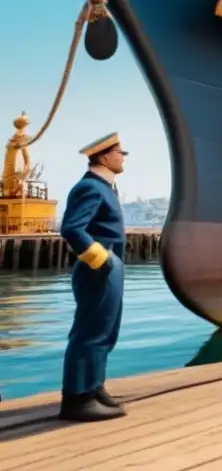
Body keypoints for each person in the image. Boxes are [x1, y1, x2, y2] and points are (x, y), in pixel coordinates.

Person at [59, 132, 129, 421]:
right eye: (120, 152)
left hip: (109, 266)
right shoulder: (90, 187)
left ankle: (94, 387)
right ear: (103, 157)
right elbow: (72, 228)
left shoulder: (106, 187)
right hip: (99, 267)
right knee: (90, 332)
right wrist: (101, 261)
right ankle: (77, 399)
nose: (123, 156)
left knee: (106, 331)